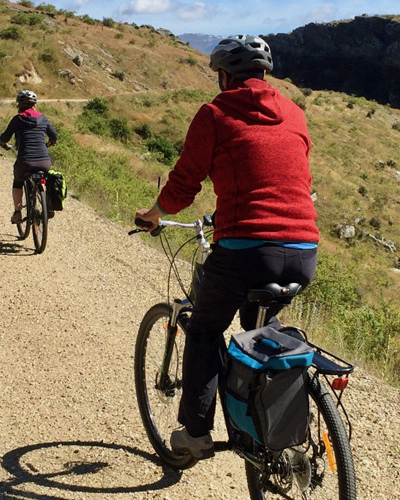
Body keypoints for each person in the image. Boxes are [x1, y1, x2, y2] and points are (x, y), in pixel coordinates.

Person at [134, 35, 319, 460]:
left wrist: (155, 213)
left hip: (247, 252)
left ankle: (196, 435)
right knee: (260, 333)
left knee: (202, 329)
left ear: (223, 76)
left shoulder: (215, 113)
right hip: (304, 250)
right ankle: (263, 424)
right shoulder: (295, 113)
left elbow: (185, 182)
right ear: (265, 75)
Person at [0, 90, 58, 224]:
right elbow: (54, 136)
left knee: (18, 182)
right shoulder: (43, 118)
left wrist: (2, 143)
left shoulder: (17, 119)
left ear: (19, 105)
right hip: (44, 161)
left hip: (25, 161)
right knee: (45, 179)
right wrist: (48, 144)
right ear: (34, 105)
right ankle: (47, 205)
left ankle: (17, 213)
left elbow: (4, 137)